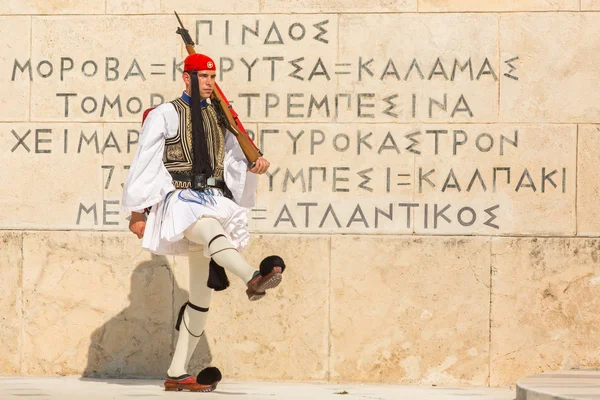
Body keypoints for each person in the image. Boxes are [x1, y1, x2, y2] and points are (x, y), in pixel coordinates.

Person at [121, 53, 285, 392]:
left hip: (212, 198)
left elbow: (235, 161)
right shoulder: (165, 114)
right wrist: (138, 211)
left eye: (213, 76)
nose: (210, 82)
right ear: (186, 77)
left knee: (200, 297)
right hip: (180, 200)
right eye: (203, 76)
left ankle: (177, 372)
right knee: (210, 228)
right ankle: (252, 277)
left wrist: (254, 165)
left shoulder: (219, 117)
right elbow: (145, 161)